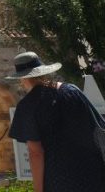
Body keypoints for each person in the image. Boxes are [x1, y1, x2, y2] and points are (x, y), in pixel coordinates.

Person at [7, 51, 105, 192]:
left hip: (58, 179)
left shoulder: (28, 106)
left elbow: (36, 152)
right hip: (91, 173)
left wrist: (38, 190)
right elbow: (96, 126)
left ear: (22, 78)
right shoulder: (72, 91)